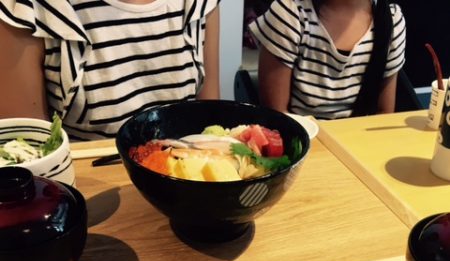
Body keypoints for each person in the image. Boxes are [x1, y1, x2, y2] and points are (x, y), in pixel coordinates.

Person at [0, 0, 221, 139]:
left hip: (186, 180)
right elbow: (25, 154)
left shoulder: (199, 4)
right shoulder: (23, 8)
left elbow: (211, 125)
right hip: (86, 188)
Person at [249, 0, 406, 119]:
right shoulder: (289, 13)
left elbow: (384, 114)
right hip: (302, 140)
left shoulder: (391, 21)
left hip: (358, 142)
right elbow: (276, 117)